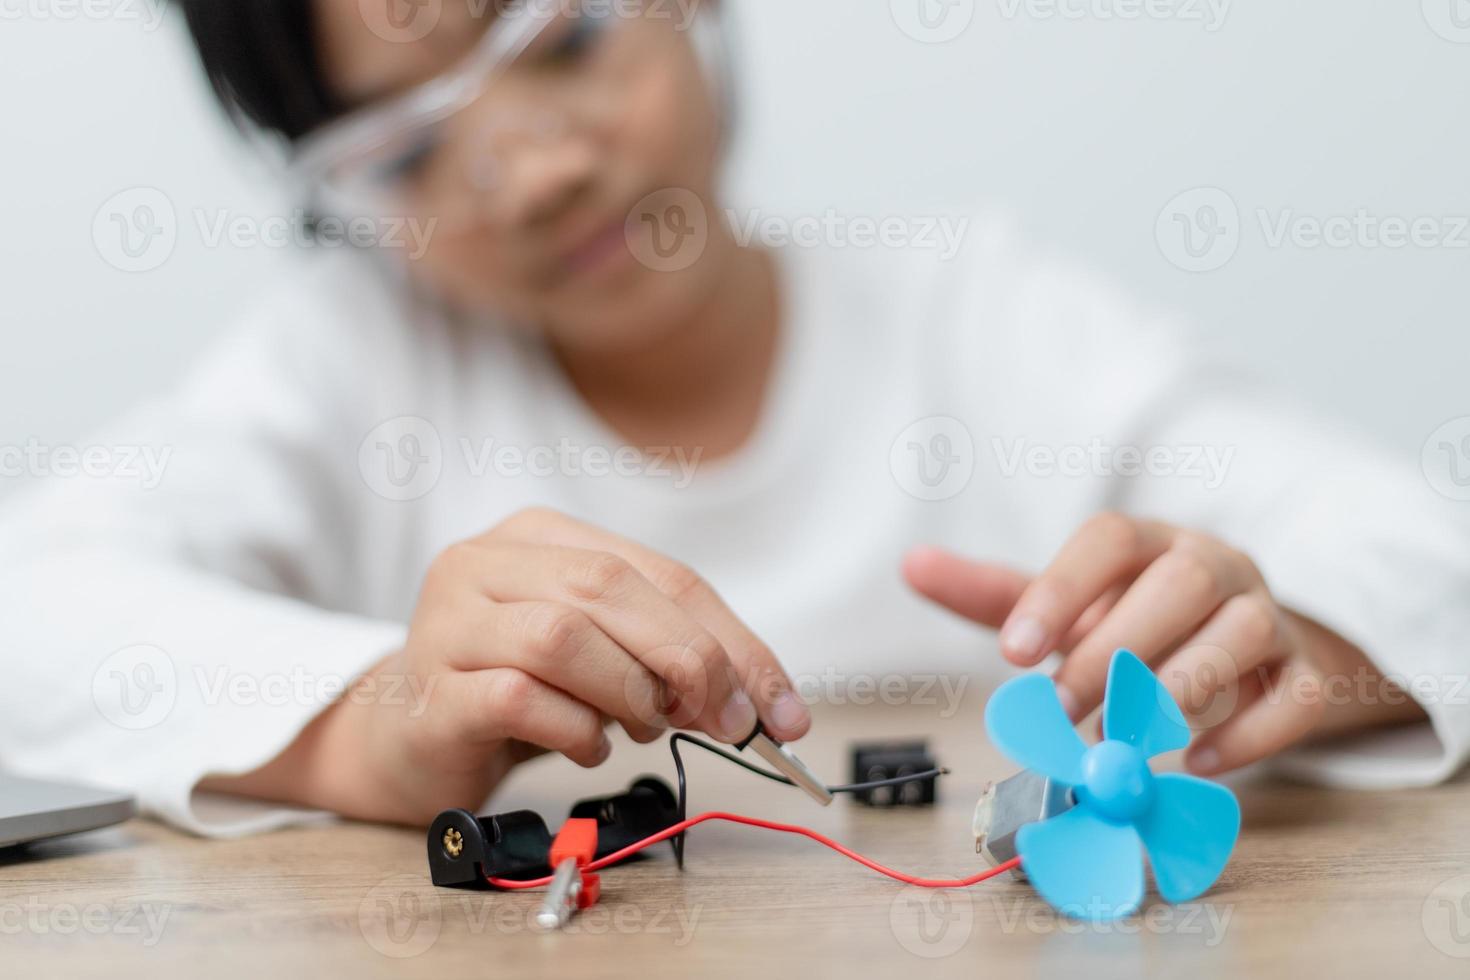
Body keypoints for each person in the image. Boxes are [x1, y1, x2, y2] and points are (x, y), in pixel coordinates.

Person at [1, 0, 1464, 838]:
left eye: (564, 36)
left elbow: (1419, 543)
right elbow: (33, 604)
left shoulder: (980, 317)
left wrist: (1296, 650)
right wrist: (367, 730)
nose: (531, 174)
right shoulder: (353, 366)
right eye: (411, 146)